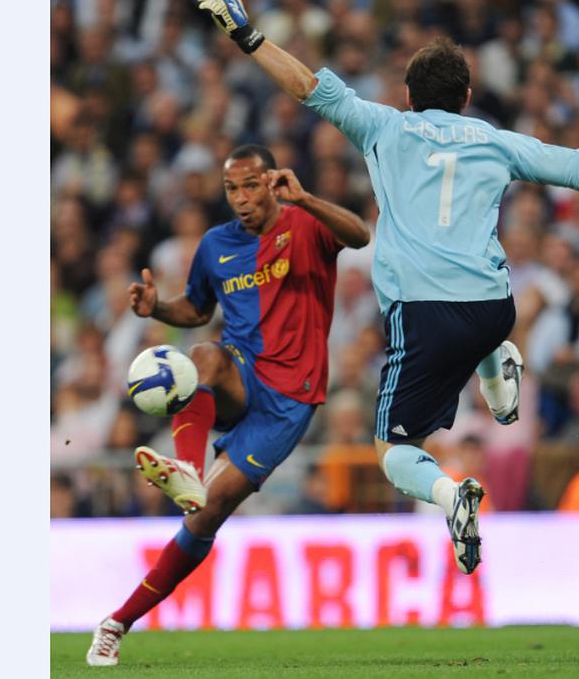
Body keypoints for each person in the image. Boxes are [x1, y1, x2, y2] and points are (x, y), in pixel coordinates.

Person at [193, 0, 579, 577]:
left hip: (423, 314)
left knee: (393, 451)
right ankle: (498, 377)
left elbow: (305, 85)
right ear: (466, 97)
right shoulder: (496, 140)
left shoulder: (383, 126)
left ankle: (450, 491)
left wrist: (246, 35)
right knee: (483, 323)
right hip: (494, 305)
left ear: (408, 96)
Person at [85, 144, 369, 666]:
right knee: (202, 356)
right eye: (231, 189)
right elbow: (197, 309)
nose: (240, 198)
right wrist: (158, 306)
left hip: (290, 399)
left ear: (272, 182)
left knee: (205, 518)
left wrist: (306, 198)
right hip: (242, 371)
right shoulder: (216, 244)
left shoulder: (306, 225)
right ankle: (187, 470)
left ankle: (116, 622)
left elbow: (359, 235)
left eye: (250, 186)